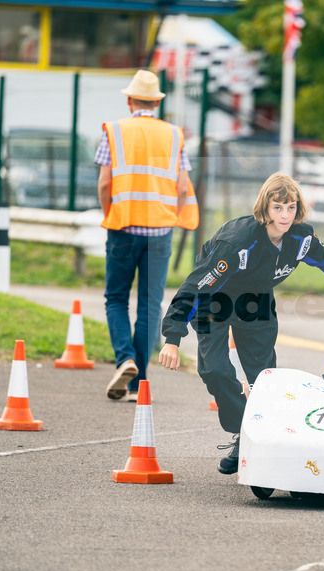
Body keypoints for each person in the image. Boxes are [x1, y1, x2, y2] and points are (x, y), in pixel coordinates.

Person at [158, 172, 324, 474]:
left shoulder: (300, 238)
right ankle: (242, 428)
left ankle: (253, 439)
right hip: (215, 300)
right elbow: (196, 286)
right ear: (265, 208)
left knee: (263, 379)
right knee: (215, 370)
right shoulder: (237, 243)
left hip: (255, 301)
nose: (285, 215)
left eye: (291, 207)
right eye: (277, 207)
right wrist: (172, 338)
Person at [96, 69, 199, 402]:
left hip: (122, 227)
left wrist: (109, 213)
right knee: (150, 305)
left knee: (115, 298)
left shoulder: (113, 131)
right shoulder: (175, 135)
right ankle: (137, 382)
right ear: (156, 102)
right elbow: (183, 186)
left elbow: (104, 183)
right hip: (159, 232)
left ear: (129, 101)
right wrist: (170, 216)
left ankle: (124, 358)